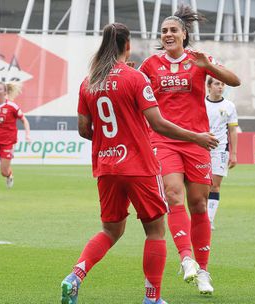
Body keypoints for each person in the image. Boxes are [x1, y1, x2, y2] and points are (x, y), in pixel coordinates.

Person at [60, 23, 218, 304]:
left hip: (107, 166)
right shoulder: (135, 78)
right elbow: (158, 123)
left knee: (110, 230)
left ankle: (75, 276)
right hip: (139, 167)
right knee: (156, 230)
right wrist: (196, 137)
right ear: (127, 45)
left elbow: (84, 130)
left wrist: (110, 141)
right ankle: (152, 298)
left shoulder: (89, 82)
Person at [138, 5, 241, 295]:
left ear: (184, 34)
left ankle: (204, 271)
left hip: (197, 141)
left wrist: (208, 67)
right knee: (173, 194)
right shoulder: (150, 65)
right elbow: (135, 93)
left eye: (173, 30)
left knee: (199, 205)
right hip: (163, 140)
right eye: (164, 31)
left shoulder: (199, 60)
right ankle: (186, 258)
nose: (168, 34)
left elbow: (235, 80)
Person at [205, 77, 238, 230]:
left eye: (222, 84)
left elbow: (232, 130)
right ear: (209, 86)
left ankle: (209, 220)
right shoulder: (200, 103)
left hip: (220, 149)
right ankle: (201, 216)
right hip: (200, 147)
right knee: (201, 187)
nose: (220, 87)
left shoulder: (229, 106)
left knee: (215, 186)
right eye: (217, 84)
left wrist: (234, 153)